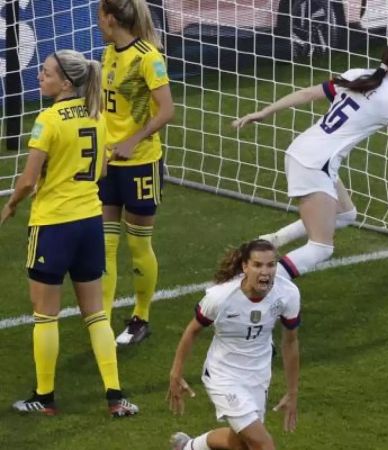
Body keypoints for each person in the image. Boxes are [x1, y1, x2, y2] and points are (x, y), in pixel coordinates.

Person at [233, 39, 388, 279]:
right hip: (314, 164)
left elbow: (307, 93)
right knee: (321, 249)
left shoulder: (359, 74)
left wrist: (265, 111)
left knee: (345, 215)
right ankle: (253, 281)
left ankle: (270, 241)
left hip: (303, 152)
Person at [1, 50, 139, 417]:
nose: (39, 78)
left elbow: (28, 180)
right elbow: (103, 167)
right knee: (95, 315)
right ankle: (115, 396)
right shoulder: (97, 118)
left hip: (53, 225)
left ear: (66, 82)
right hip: (90, 222)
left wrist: (11, 204)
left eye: (45, 74)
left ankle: (44, 398)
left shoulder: (47, 120)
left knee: (45, 315)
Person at [167, 240, 301, 450]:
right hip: (224, 376)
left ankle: (188, 447)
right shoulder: (221, 297)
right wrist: (176, 373)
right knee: (263, 444)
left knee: (240, 443)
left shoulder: (287, 294)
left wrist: (293, 391)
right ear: (245, 267)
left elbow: (290, 342)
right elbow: (192, 330)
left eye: (271, 265)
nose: (265, 272)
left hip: (258, 376)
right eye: (258, 265)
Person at [97, 0, 174, 344]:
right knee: (106, 244)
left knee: (138, 244)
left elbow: (167, 110)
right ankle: (102, 318)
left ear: (111, 18)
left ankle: (141, 317)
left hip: (141, 163)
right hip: (109, 164)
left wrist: (132, 140)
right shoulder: (108, 53)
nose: (97, 21)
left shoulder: (148, 57)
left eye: (99, 15)